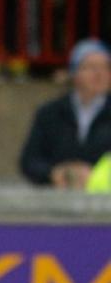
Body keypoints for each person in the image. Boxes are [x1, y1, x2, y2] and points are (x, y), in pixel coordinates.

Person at [20, 38, 111, 188]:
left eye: (106, 67)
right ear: (74, 73)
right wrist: (54, 173)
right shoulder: (50, 113)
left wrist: (94, 174)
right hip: (57, 201)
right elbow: (29, 161)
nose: (99, 74)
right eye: (91, 67)